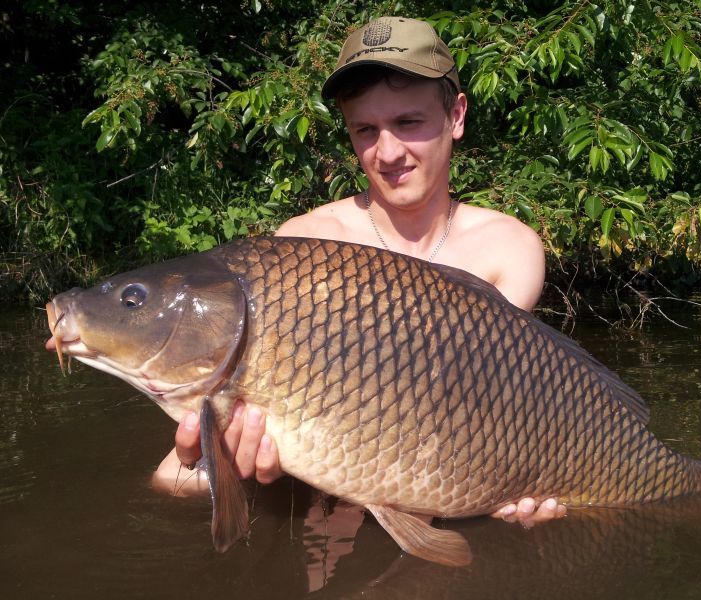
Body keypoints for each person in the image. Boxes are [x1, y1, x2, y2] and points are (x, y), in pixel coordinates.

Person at [152, 16, 567, 527]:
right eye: (365, 130)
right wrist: (214, 461)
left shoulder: (508, 248)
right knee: (170, 479)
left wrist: (528, 476)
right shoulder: (305, 242)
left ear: (456, 115)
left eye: (408, 122)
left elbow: (486, 405)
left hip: (439, 459)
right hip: (327, 488)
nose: (387, 152)